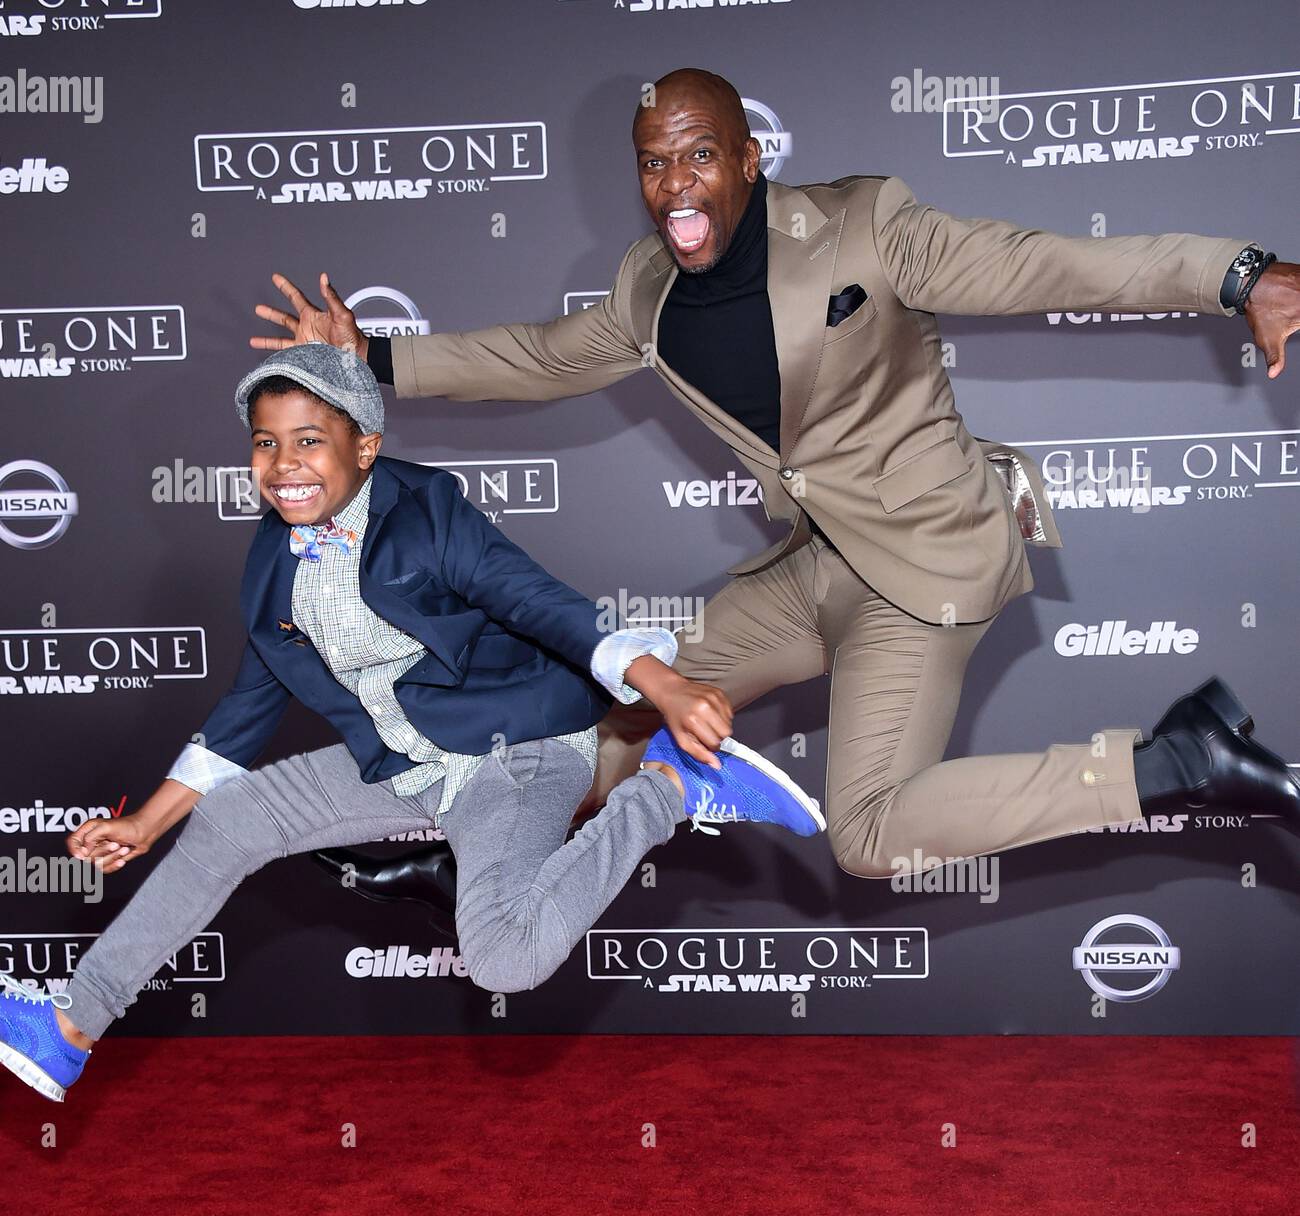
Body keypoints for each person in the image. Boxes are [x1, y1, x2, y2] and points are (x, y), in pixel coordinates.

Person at [251, 67, 1300, 890]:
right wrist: (367, 362)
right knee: (623, 705)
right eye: (654, 164)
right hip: (816, 567)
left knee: (871, 832)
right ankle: (476, 861)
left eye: (698, 156)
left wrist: (1236, 276)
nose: (674, 186)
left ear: (750, 158)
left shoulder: (866, 229)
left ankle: (1168, 766)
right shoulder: (647, 285)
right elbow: (538, 357)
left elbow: (1057, 265)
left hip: (920, 571)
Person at [0, 342, 824, 1104]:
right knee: (234, 817)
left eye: (309, 441)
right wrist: (145, 822)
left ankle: (672, 787)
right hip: (407, 759)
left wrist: (665, 688)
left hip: (518, 749)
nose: (284, 465)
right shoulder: (271, 557)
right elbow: (248, 707)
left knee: (507, 956)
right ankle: (68, 1029)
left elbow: (539, 603)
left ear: (365, 447)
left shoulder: (428, 511)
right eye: (265, 443)